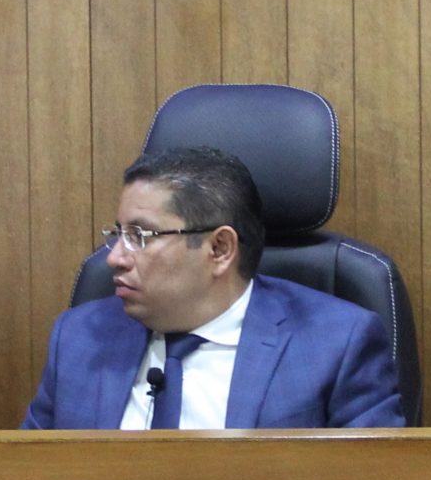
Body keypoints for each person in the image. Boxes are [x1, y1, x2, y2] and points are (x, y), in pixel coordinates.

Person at [23, 146, 403, 430]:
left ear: (219, 249)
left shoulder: (337, 343)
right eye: (118, 234)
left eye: (140, 236)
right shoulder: (79, 337)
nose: (115, 258)